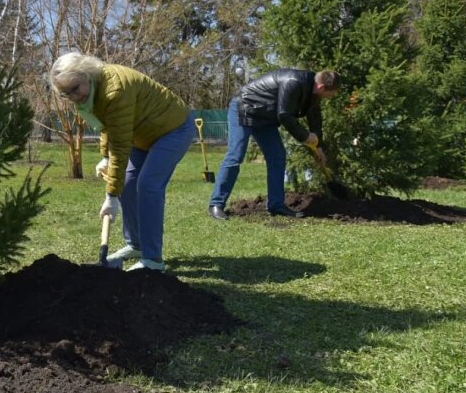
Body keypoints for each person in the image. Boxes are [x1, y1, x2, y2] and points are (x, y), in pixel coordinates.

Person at [49, 52, 195, 272]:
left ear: (87, 74)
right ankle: (136, 245)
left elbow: (120, 145)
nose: (73, 96)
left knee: (148, 185)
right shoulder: (93, 89)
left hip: (172, 128)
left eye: (75, 88)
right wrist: (104, 157)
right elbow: (108, 125)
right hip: (142, 132)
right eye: (65, 93)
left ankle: (153, 260)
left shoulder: (114, 90)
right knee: (127, 184)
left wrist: (110, 197)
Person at [208, 69, 341, 220]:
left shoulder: (313, 93)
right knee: (235, 155)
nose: (332, 96)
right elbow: (284, 115)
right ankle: (216, 204)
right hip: (245, 108)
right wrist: (305, 137)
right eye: (332, 93)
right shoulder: (293, 82)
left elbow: (315, 121)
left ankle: (276, 205)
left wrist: (319, 148)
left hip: (266, 118)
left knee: (277, 157)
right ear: (322, 87)